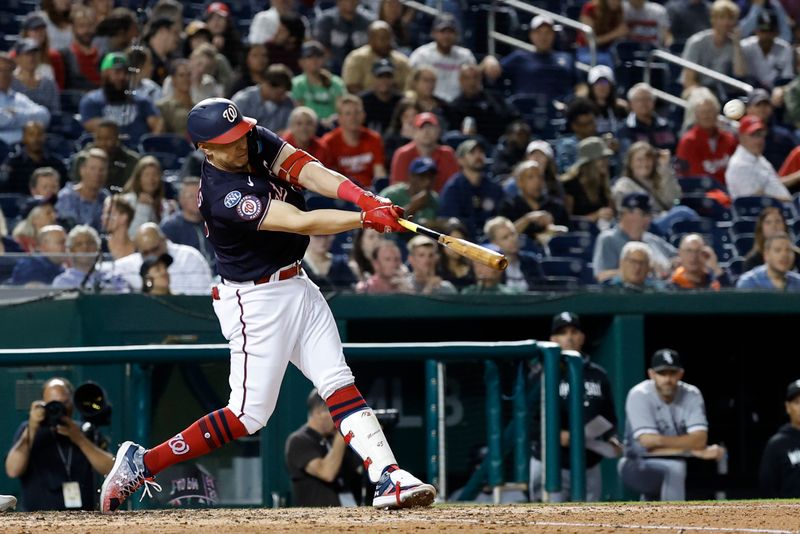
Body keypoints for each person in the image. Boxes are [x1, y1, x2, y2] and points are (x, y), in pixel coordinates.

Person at [99, 96, 435, 512]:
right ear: (206, 149)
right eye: (229, 141)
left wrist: (363, 197)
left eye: (241, 133)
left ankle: (388, 476)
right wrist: (363, 218)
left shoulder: (252, 139)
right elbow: (300, 221)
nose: (241, 144)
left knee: (337, 381)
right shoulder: (222, 194)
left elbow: (307, 169)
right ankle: (143, 461)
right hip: (255, 300)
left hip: (297, 282)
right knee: (247, 416)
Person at [529, 312, 622, 502]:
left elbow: (610, 416)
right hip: (551, 463)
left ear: (582, 337)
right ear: (553, 339)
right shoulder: (541, 375)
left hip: (588, 463)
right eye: (562, 333)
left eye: (573, 331)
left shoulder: (598, 374)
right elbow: (527, 420)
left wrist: (612, 437)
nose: (569, 337)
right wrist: (555, 434)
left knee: (588, 523)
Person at [618, 349, 725, 501]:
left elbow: (700, 439)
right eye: (662, 373)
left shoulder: (691, 394)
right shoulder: (639, 394)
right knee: (675, 467)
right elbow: (648, 442)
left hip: (669, 461)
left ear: (680, 374)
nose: (668, 379)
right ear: (652, 374)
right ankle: (676, 519)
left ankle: (652, 521)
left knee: (667, 477)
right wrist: (692, 450)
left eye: (672, 373)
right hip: (635, 464)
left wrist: (663, 442)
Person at [5, 377, 114, 511]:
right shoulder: (29, 430)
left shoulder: (86, 431)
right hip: (37, 520)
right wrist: (32, 429)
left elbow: (111, 469)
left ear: (73, 403)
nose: (59, 408)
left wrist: (80, 439)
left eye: (64, 402)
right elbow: (13, 470)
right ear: (43, 404)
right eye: (53, 404)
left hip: (83, 519)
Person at [285, 389, 363, 507]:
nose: (338, 418)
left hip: (349, 514)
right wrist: (342, 435)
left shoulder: (332, 438)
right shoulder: (299, 440)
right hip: (317, 520)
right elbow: (327, 473)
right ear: (319, 413)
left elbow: (358, 471)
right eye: (336, 413)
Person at [483, 15, 578, 100]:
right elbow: (493, 71)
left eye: (547, 33)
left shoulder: (567, 58)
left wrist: (578, 99)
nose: (543, 37)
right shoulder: (519, 57)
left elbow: (580, 85)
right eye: (539, 32)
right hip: (526, 111)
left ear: (554, 35)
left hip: (562, 111)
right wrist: (488, 60)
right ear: (531, 35)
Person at [79, 52, 163, 146]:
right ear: (105, 73)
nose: (122, 77)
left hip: (137, 152)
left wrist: (149, 146)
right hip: (104, 150)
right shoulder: (92, 101)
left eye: (125, 73)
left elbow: (157, 124)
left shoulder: (141, 100)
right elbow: (96, 128)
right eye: (117, 72)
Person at [612, 141, 696, 233]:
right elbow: (623, 214)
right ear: (630, 163)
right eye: (639, 160)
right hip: (644, 226)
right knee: (683, 212)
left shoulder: (657, 181)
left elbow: (674, 199)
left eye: (648, 159)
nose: (644, 163)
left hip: (661, 221)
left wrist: (665, 167)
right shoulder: (624, 185)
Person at [106, 222, 213, 295]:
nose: (152, 255)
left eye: (155, 249)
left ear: (164, 240)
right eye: (146, 252)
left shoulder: (189, 257)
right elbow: (102, 273)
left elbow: (203, 295)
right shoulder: (128, 265)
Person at [593, 193, 676, 282]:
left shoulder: (651, 239)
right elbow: (601, 276)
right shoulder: (609, 239)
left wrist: (672, 265)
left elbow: (677, 257)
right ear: (626, 214)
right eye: (644, 214)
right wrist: (644, 269)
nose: (649, 219)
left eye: (650, 214)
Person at [438, 140, 504, 241]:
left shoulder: (493, 187)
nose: (478, 156)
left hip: (493, 240)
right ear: (460, 160)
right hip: (465, 242)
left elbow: (501, 216)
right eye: (472, 153)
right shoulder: (453, 188)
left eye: (481, 152)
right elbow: (449, 222)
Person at [320, 94, 386, 189]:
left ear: (363, 115)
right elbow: (328, 176)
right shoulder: (328, 142)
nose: (353, 117)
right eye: (348, 114)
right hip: (342, 193)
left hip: (370, 191)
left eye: (357, 113)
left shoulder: (374, 138)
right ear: (339, 118)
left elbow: (379, 173)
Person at [408, 14, 476, 102]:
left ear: (457, 34)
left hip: (458, 105)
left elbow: (474, 82)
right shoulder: (421, 54)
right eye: (442, 31)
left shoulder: (465, 56)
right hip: (429, 103)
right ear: (433, 33)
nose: (446, 36)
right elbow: (410, 82)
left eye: (450, 32)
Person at [680, 0, 747, 91]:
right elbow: (688, 81)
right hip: (697, 91)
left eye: (730, 18)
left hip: (723, 93)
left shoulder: (735, 45)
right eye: (722, 17)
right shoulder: (696, 42)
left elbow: (740, 74)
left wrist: (736, 44)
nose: (726, 23)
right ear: (713, 19)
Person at [499, 160, 569, 245]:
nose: (537, 181)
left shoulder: (556, 205)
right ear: (519, 182)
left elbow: (570, 233)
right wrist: (528, 219)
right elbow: (502, 237)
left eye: (540, 177)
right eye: (530, 177)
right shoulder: (509, 205)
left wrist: (555, 230)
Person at [675, 89, 737, 185]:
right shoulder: (688, 142)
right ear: (696, 115)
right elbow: (695, 177)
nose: (707, 116)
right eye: (703, 112)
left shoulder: (729, 139)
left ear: (717, 114)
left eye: (710, 112)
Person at [447, 64, 519, 146]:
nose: (472, 82)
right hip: (474, 147)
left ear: (480, 79)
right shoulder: (454, 106)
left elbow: (514, 117)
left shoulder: (495, 98)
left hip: (501, 144)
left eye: (475, 77)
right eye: (467, 78)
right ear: (460, 81)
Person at [725, 115, 791, 201]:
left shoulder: (758, 157)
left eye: (761, 135)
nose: (759, 140)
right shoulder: (739, 165)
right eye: (754, 135)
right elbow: (754, 202)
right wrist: (788, 200)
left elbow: (774, 185)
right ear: (741, 137)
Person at [390, 112, 459, 192]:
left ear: (438, 130)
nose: (426, 131)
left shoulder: (448, 153)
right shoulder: (402, 154)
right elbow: (397, 189)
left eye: (430, 127)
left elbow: (454, 187)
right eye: (421, 127)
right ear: (414, 131)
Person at [70, 119, 140, 193]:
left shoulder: (132, 161)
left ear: (117, 139)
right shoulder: (83, 159)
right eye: (99, 139)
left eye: (107, 139)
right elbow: (76, 187)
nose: (103, 143)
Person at [341, 20, 410, 95]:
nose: (386, 41)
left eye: (388, 37)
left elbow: (408, 87)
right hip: (365, 103)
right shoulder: (356, 58)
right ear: (371, 39)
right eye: (381, 38)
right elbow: (351, 86)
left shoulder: (401, 61)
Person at [0, 121, 67, 195]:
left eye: (39, 134)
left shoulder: (57, 163)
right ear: (24, 137)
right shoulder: (12, 164)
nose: (36, 139)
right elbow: (4, 192)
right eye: (31, 134)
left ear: (44, 136)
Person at [559, 137, 615, 224]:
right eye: (601, 159)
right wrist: (595, 216)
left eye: (606, 158)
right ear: (589, 163)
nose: (606, 162)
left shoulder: (602, 183)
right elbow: (566, 221)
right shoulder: (570, 184)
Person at [759, 379, 800, 498]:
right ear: (788, 407)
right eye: (797, 402)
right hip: (789, 514)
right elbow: (767, 489)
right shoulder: (777, 444)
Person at [160, 177, 213, 268]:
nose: (197, 200)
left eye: (200, 195)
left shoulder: (215, 223)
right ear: (181, 200)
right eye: (191, 196)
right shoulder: (169, 227)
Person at [0, 53, 51, 147]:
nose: (4, 75)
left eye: (7, 71)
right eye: (0, 71)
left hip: (24, 148)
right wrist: (25, 120)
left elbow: (44, 116)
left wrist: (16, 114)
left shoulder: (19, 98)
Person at [52, 224, 124, 291]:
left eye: (90, 242)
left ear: (98, 248)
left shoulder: (112, 277)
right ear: (71, 251)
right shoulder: (63, 282)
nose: (85, 247)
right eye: (79, 244)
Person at [291, 41, 345, 127]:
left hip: (333, 126)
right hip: (307, 127)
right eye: (309, 57)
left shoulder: (336, 82)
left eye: (318, 56)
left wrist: (331, 120)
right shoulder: (297, 84)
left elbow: (342, 109)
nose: (314, 60)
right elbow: (298, 111)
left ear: (324, 59)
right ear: (301, 62)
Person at [56, 147, 111, 232]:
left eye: (102, 169)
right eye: (93, 168)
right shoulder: (67, 197)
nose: (97, 174)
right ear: (82, 170)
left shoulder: (106, 198)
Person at [314, 0, 375, 74]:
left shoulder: (369, 22)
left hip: (362, 67)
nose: (350, 2)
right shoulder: (326, 20)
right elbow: (320, 46)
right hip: (333, 68)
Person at [121, 156, 176, 237]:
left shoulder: (165, 204)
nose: (151, 179)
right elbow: (132, 234)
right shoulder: (127, 201)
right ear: (139, 178)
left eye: (155, 174)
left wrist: (173, 214)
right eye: (146, 175)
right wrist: (143, 208)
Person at [484, 216, 543, 291]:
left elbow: (542, 290)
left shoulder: (531, 261)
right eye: (505, 237)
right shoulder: (492, 267)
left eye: (513, 234)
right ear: (494, 243)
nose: (512, 239)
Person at [232, 63, 295, 133]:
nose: (283, 97)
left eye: (284, 93)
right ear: (266, 84)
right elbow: (233, 129)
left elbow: (290, 130)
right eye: (279, 93)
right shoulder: (243, 101)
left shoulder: (288, 102)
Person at [740, 10, 793, 91]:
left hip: (775, 92)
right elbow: (740, 75)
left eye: (770, 31)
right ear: (756, 31)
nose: (766, 35)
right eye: (763, 31)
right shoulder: (745, 46)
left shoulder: (785, 49)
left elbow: (787, 78)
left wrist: (781, 90)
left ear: (777, 32)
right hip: (750, 90)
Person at [618, 83, 677, 154]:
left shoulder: (667, 126)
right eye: (639, 100)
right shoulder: (623, 130)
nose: (644, 103)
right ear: (631, 104)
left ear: (654, 102)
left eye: (648, 99)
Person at [380, 156, 439, 226]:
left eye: (431, 177)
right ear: (411, 176)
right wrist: (411, 208)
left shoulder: (434, 198)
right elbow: (380, 222)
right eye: (422, 176)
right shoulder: (391, 195)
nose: (428, 181)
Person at [58, 5, 100, 91]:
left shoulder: (103, 56)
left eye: (90, 25)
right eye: (81, 26)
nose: (86, 30)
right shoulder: (63, 57)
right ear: (73, 28)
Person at [11, 38, 60, 112]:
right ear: (17, 58)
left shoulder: (49, 84)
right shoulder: (9, 83)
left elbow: (55, 111)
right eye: (27, 54)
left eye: (35, 54)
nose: (32, 58)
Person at [743, 207, 797, 271]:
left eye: (778, 221)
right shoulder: (752, 261)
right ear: (761, 228)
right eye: (768, 222)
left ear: (784, 225)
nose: (773, 225)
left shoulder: (797, 256)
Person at [360, 59, 403, 136]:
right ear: (373, 78)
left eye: (388, 77)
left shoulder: (401, 101)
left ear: (393, 79)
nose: (384, 80)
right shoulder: (362, 101)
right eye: (380, 77)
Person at [102, 194, 135, 260]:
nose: (103, 217)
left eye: (108, 213)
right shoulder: (99, 245)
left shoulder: (139, 249)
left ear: (124, 217)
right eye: (103, 214)